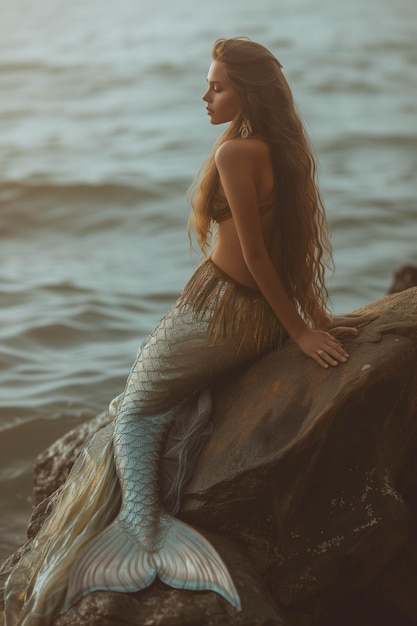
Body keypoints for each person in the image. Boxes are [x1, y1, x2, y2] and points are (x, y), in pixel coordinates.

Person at [2, 37, 365, 625]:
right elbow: (289, 249)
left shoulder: (235, 154)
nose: (205, 96)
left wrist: (301, 334)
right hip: (250, 312)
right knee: (167, 398)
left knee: (132, 411)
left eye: (217, 86)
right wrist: (309, 316)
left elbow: (254, 252)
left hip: (225, 310)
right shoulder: (282, 147)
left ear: (246, 92)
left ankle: (144, 537)